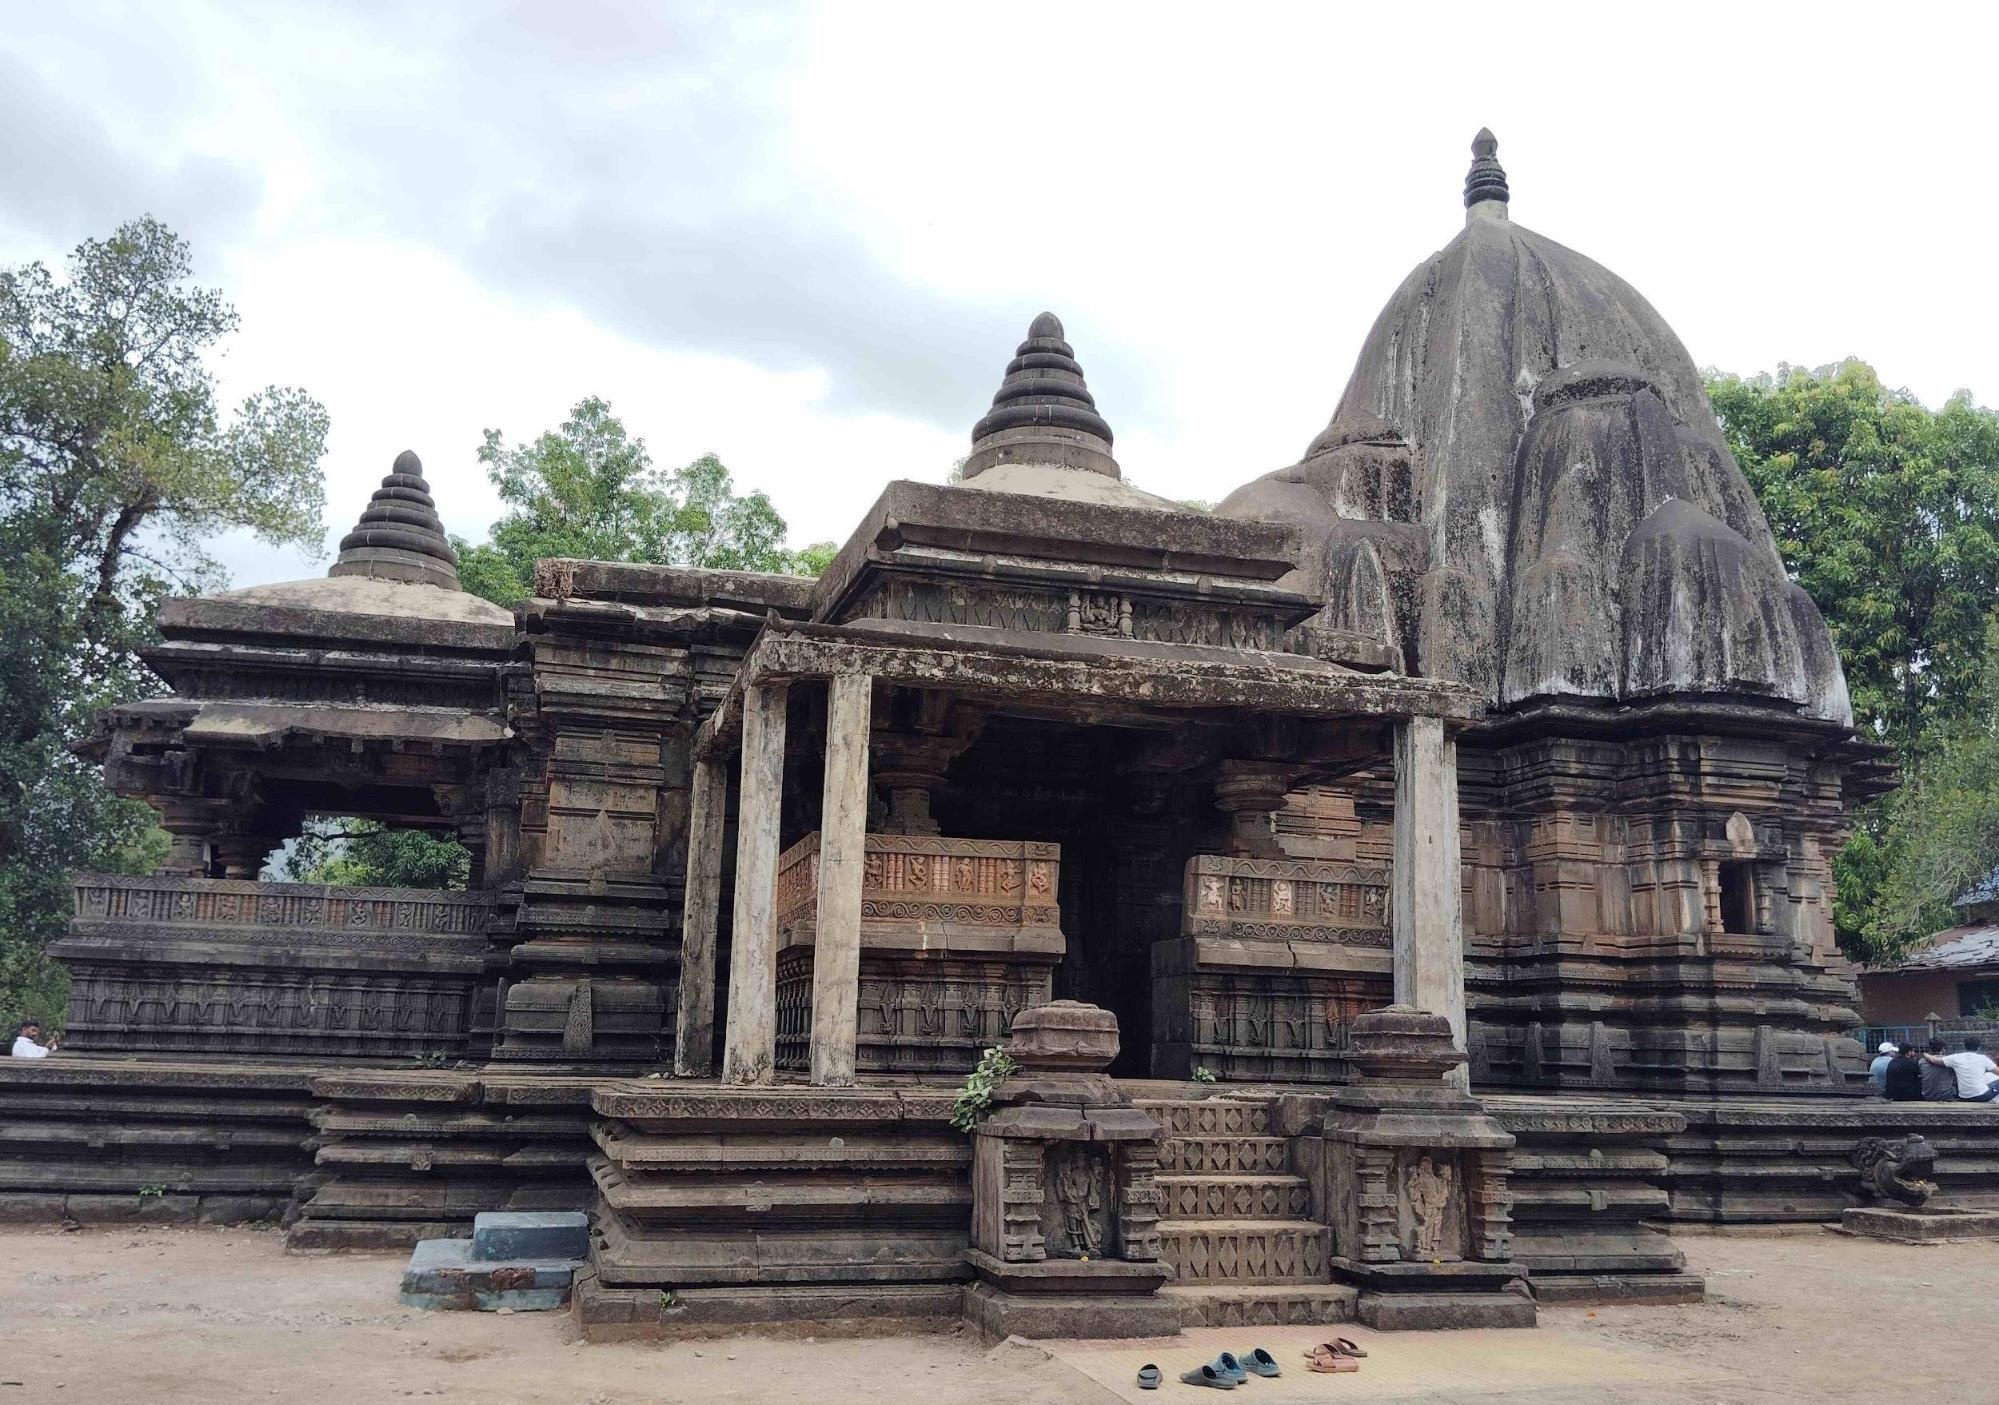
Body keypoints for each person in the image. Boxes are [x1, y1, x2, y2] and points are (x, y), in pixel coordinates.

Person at [1923, 1035, 1999, 1103]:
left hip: (1964, 1097)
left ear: (1965, 1046)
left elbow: (1933, 1060)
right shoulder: (1983, 1058)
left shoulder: (1956, 1058)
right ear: (1978, 1047)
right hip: (1982, 1096)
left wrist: (1925, 1054)